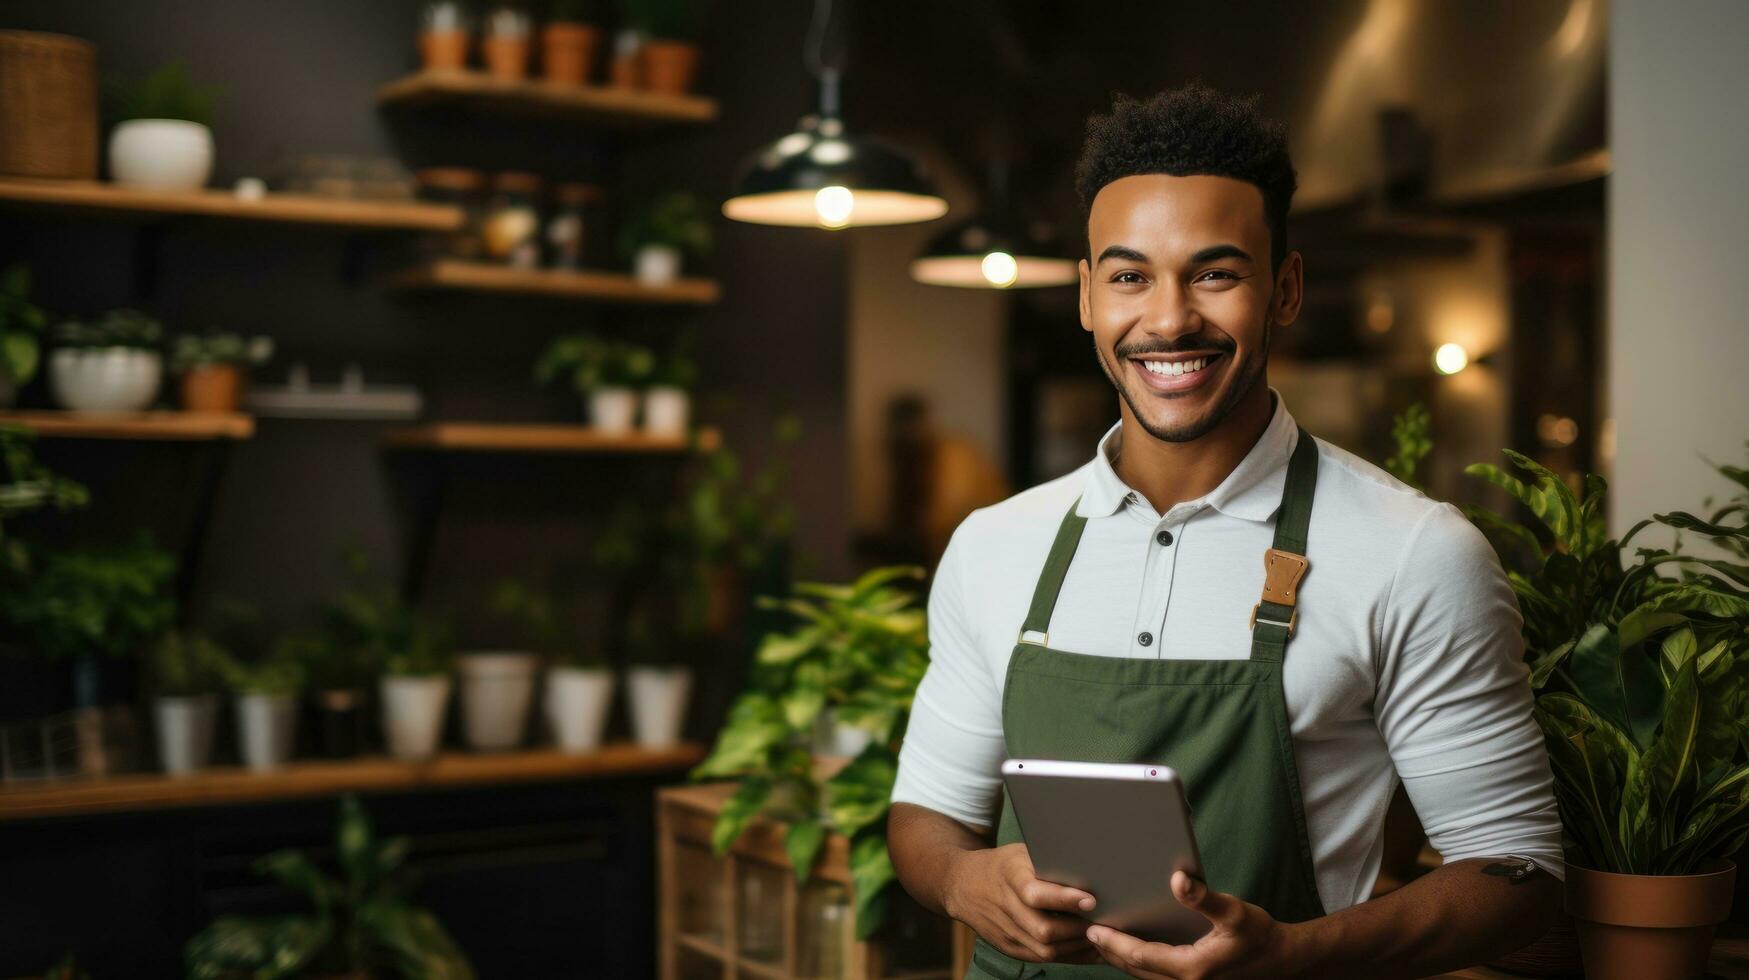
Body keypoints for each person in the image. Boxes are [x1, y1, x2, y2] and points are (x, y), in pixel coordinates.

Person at [886, 84, 1564, 979]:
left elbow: (1515, 871)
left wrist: (1292, 954)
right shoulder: (993, 545)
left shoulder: (1413, 552)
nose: (1168, 320)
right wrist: (965, 880)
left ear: (1282, 289)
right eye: (1129, 276)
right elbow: (924, 815)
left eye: (1215, 273)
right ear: (1086, 297)